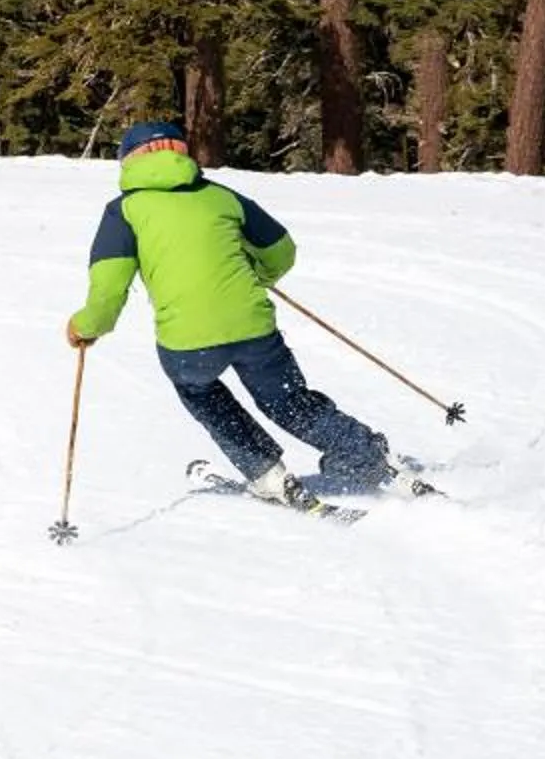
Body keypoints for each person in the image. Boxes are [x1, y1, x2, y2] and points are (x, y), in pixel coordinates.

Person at [65, 120, 416, 507]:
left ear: (127, 162)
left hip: (188, 343)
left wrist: (85, 328)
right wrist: (259, 275)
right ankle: (364, 454)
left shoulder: (124, 212)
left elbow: (108, 295)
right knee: (287, 400)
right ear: (182, 152)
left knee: (200, 391)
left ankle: (265, 471)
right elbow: (281, 250)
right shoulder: (222, 196)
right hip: (254, 329)